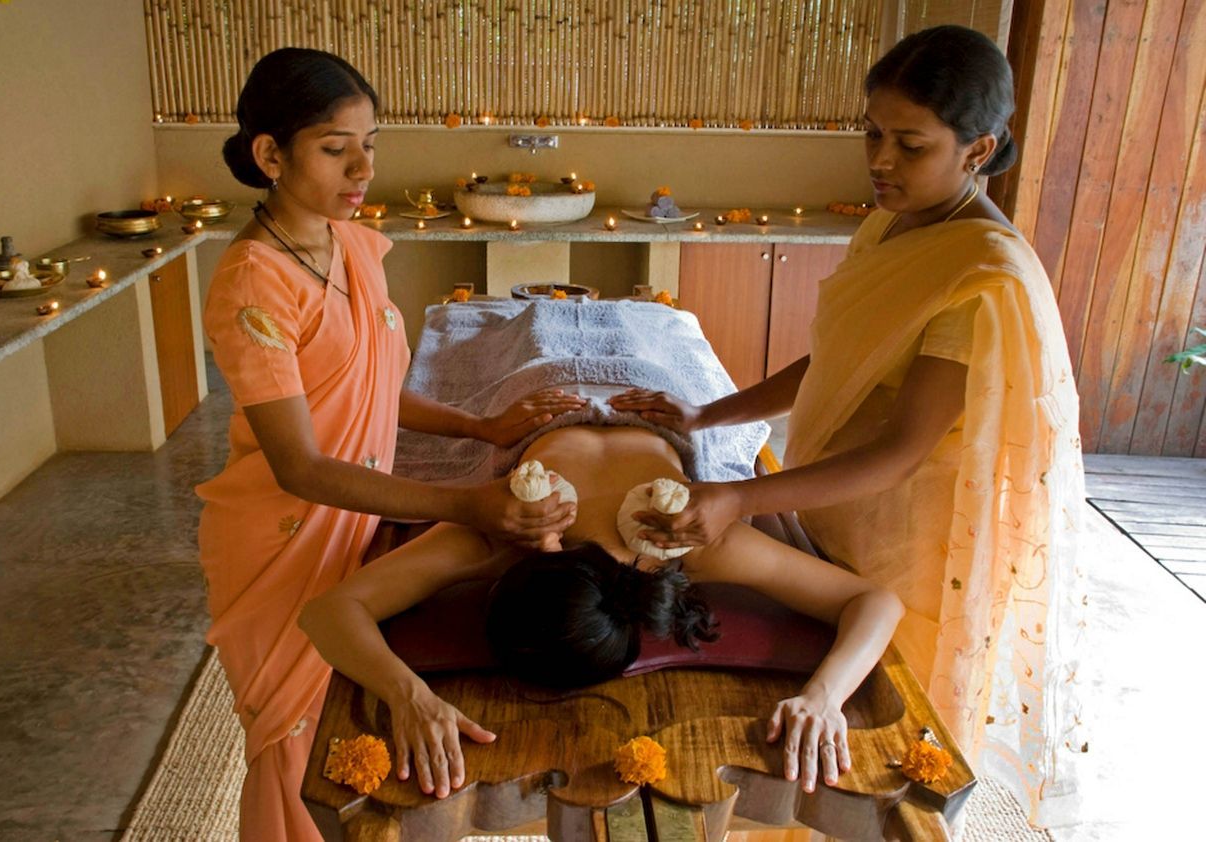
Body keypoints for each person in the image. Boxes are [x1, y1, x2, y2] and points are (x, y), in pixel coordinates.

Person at [609, 25, 1087, 824]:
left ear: (978, 149)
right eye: (873, 134)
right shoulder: (894, 223)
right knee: (799, 746)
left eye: (911, 143)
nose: (881, 161)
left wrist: (735, 498)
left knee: (876, 760)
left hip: (909, 539)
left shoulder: (982, 276)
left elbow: (901, 452)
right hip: (833, 511)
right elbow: (833, 361)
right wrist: (707, 413)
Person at [196, 48, 583, 842]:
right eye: (336, 147)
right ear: (271, 154)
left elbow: (371, 388)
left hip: (357, 516)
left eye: (371, 142)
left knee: (345, 728)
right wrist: (465, 502)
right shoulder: (253, 284)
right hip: (281, 534)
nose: (362, 166)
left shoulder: (354, 246)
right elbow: (300, 465)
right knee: (289, 747)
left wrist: (481, 428)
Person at [300, 424, 904, 800]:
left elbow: (875, 601)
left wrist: (827, 697)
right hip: (559, 417)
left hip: (626, 419)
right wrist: (408, 695)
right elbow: (328, 611)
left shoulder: (690, 538)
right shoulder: (504, 531)